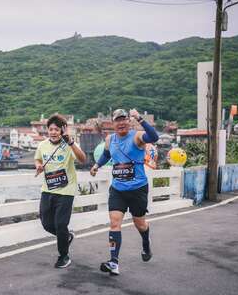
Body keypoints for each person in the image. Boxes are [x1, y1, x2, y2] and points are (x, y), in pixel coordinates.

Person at [90, 109, 159, 276]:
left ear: (129, 121)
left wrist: (140, 119)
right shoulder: (109, 140)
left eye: (124, 120)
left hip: (137, 189)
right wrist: (97, 165)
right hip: (118, 189)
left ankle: (146, 242)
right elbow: (106, 154)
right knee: (114, 223)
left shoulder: (137, 136)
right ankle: (114, 262)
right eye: (117, 120)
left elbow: (154, 137)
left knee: (140, 224)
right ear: (113, 123)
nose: (121, 123)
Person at [34, 114, 87, 268]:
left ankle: (64, 256)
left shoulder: (69, 145)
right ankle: (66, 237)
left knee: (60, 224)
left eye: (57, 129)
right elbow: (38, 159)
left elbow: (83, 159)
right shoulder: (42, 145)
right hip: (47, 189)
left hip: (66, 190)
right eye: (51, 129)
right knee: (46, 223)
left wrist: (71, 142)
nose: (53, 132)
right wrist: (38, 165)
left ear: (62, 131)